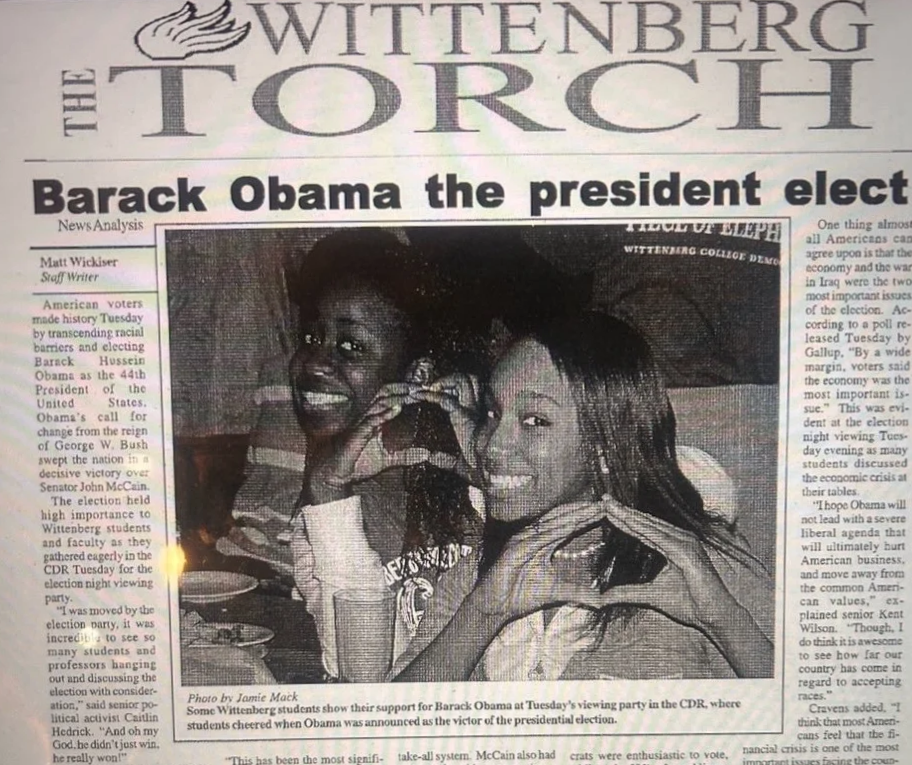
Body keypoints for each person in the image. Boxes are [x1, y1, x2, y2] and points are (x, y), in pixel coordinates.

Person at [392, 311, 774, 681]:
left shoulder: (704, 566)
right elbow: (393, 732)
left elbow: (810, 714)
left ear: (606, 448)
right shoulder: (479, 574)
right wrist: (483, 613)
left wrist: (722, 619)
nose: (491, 446)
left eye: (535, 421)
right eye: (493, 412)